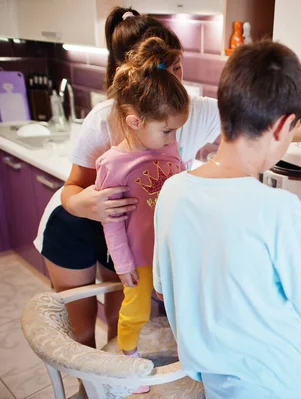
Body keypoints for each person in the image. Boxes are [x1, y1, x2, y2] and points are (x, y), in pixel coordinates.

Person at [33, 6, 301, 351]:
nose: (176, 82)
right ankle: (91, 387)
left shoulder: (188, 124)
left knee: (121, 317)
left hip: (133, 227)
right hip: (79, 219)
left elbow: (254, 119)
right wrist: (87, 203)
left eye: (177, 68)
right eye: (164, 72)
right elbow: (74, 185)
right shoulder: (105, 120)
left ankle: (117, 380)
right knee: (82, 331)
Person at [153, 40, 301, 399]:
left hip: (213, 383)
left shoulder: (172, 191)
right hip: (271, 388)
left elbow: (164, 287)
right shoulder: (278, 210)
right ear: (283, 127)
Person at [95, 37, 188, 393]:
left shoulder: (169, 146)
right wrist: (122, 262)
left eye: (175, 129)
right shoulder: (112, 164)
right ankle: (130, 363)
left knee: (178, 308)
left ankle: (186, 357)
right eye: (166, 129)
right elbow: (111, 221)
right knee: (135, 311)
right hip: (138, 257)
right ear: (134, 122)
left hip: (170, 251)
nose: (172, 137)